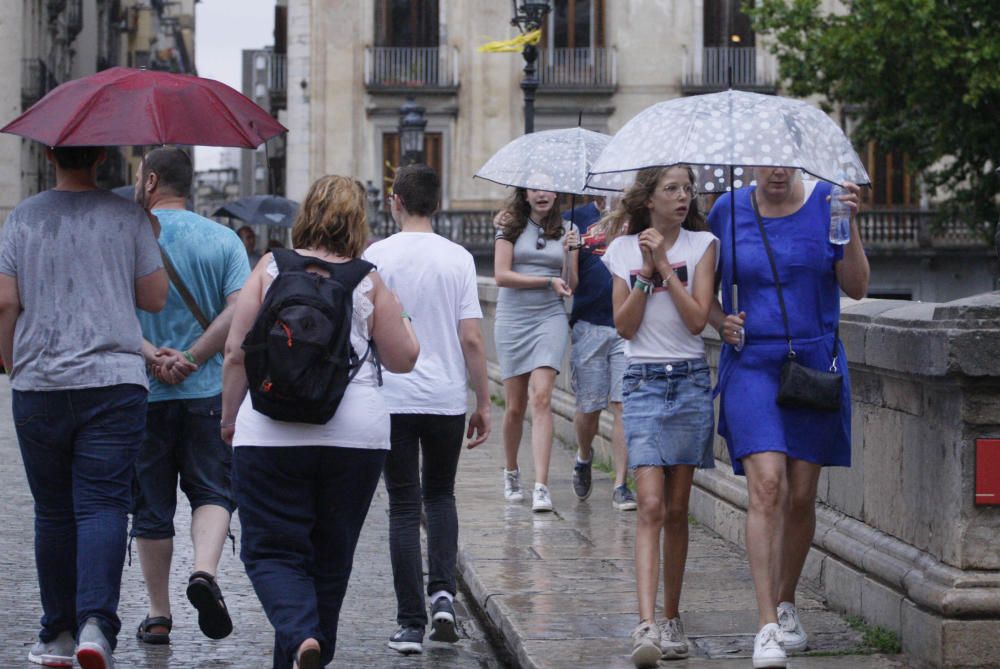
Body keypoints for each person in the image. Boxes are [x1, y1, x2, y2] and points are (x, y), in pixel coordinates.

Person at [221, 175, 419, 669]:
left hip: (268, 431)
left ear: (305, 214)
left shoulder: (269, 269)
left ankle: (299, 633)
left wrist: (229, 419)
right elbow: (404, 359)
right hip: (354, 436)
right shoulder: (368, 279)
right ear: (359, 223)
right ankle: (309, 646)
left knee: (269, 553)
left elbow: (235, 352)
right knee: (330, 560)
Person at [0, 146, 168, 669]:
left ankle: (58, 635)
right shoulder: (126, 216)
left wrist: (10, 363)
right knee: (102, 505)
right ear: (101, 158)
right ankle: (98, 625)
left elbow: (5, 302)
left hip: (40, 381)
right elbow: (155, 297)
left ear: (49, 153)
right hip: (113, 382)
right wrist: (143, 227)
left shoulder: (21, 217)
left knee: (53, 512)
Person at [708, 167, 868, 668]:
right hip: (753, 363)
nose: (776, 171)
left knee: (801, 494)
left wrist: (852, 225)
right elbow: (704, 294)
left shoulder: (830, 203)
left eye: (785, 162)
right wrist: (721, 321)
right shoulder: (726, 210)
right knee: (769, 486)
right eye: (766, 161)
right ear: (753, 164)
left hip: (813, 365)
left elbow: (858, 287)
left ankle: (785, 600)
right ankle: (767, 627)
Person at [364, 164, 491, 655]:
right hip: (444, 399)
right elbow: (472, 338)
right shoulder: (457, 258)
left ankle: (410, 624)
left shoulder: (376, 256)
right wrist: (482, 401)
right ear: (438, 204)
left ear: (394, 201)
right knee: (440, 496)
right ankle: (443, 597)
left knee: (401, 506)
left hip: (392, 397)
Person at [131, 148, 251, 646]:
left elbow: (113, 308)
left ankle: (158, 614)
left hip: (144, 391)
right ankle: (204, 571)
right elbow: (241, 310)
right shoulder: (223, 239)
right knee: (213, 491)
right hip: (207, 391)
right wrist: (197, 357)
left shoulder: (131, 239)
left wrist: (154, 357)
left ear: (152, 180)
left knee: (151, 505)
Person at [601, 166, 718, 668]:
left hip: (690, 380)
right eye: (671, 188)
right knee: (649, 504)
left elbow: (697, 321)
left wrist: (667, 266)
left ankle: (672, 617)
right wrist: (646, 274)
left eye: (686, 190)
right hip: (644, 382)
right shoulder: (622, 253)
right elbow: (624, 328)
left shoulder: (703, 243)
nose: (681, 196)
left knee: (676, 508)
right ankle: (645, 622)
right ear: (648, 199)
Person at [494, 187, 576, 512]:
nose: (542, 193)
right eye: (535, 188)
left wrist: (570, 254)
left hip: (550, 317)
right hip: (513, 318)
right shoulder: (509, 225)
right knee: (514, 406)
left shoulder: (570, 230)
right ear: (525, 194)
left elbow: (571, 284)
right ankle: (511, 471)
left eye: (548, 188)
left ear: (556, 195)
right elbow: (500, 275)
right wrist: (545, 281)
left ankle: (541, 485)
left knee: (541, 398)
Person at [562, 197, 637, 511]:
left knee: (622, 404)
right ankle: (584, 455)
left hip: (627, 326)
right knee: (589, 407)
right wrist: (569, 252)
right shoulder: (576, 217)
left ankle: (621, 484)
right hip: (589, 323)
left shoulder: (638, 216)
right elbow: (571, 283)